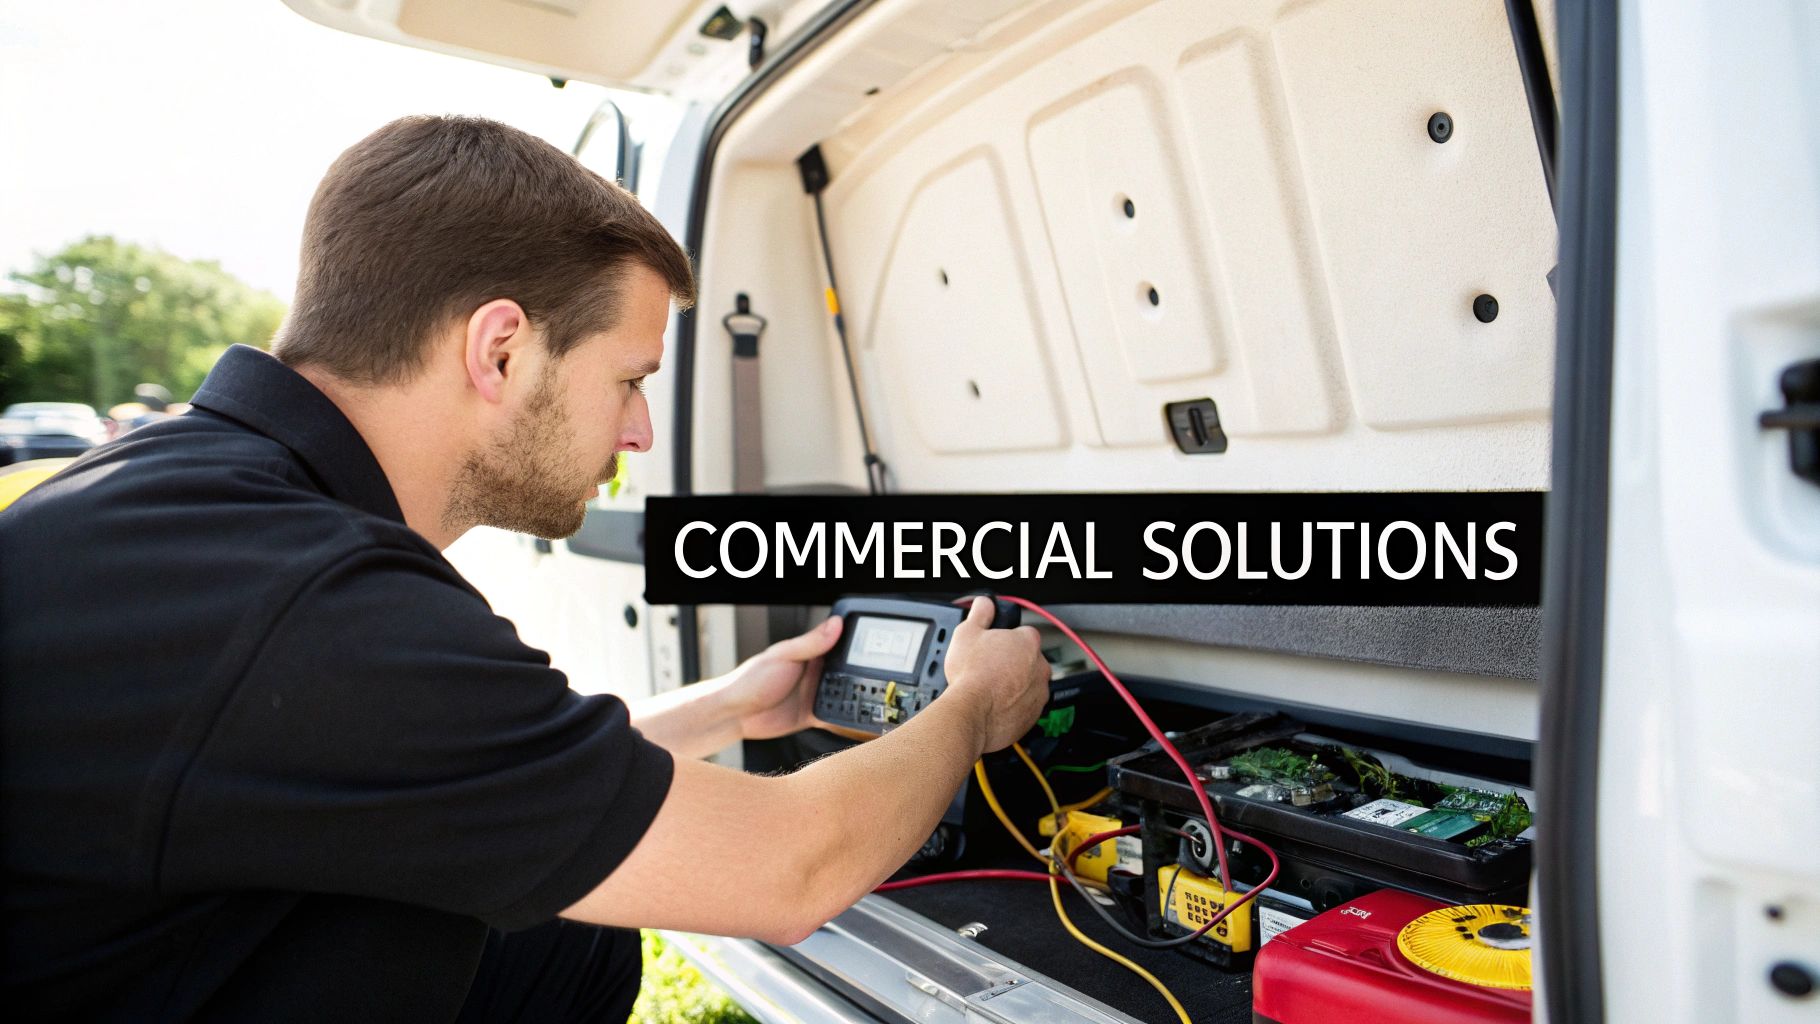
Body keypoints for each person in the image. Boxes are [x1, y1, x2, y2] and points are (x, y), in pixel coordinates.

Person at [0, 115, 1051, 1022]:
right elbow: (792, 868)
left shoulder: (199, 505)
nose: (639, 430)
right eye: (629, 377)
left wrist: (722, 710)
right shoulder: (314, 603)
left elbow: (436, 771)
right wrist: (966, 704)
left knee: (559, 937)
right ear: (499, 349)